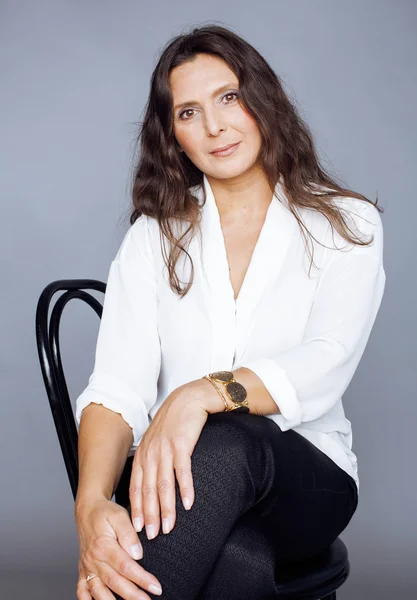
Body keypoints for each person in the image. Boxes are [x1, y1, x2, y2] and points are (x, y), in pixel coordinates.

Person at [73, 24, 386, 600]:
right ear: (173, 137)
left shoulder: (346, 223)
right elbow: (116, 388)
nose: (214, 126)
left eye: (229, 97)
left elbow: (328, 357)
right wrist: (90, 504)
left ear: (264, 101)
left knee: (227, 439)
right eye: (188, 112)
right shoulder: (154, 237)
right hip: (176, 489)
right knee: (237, 562)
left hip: (304, 484)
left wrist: (201, 394)